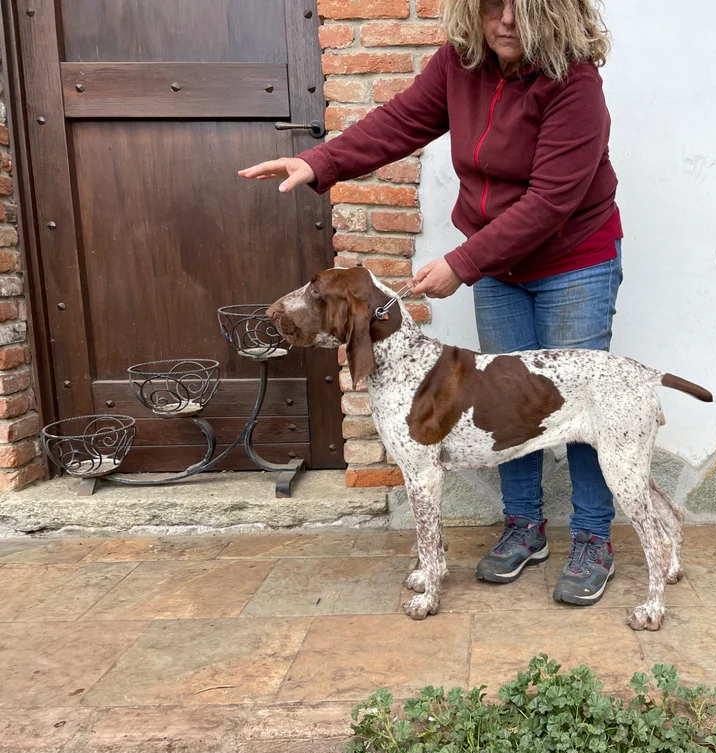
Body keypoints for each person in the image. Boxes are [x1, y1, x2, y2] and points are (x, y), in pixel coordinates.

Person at [239, 0, 621, 606]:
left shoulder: (575, 82)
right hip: (500, 263)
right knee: (506, 398)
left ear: (556, 13)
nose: (507, 21)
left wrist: (463, 263)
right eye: (494, 5)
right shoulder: (459, 65)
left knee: (580, 402)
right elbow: (396, 125)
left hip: (573, 261)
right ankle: (524, 527)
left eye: (526, 8)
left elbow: (551, 201)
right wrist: (316, 162)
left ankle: (593, 537)